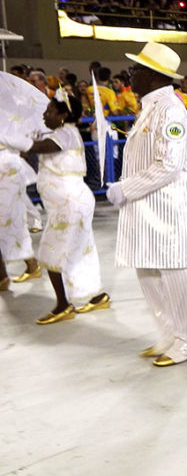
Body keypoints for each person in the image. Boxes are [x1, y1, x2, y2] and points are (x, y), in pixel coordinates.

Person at [106, 42, 187, 367]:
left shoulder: (171, 110)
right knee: (147, 270)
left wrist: (125, 189)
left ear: (152, 76)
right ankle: (170, 333)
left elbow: (169, 164)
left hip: (171, 209)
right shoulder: (149, 106)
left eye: (136, 70)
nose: (130, 76)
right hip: (148, 208)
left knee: (177, 274)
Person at [25, 95, 110, 324]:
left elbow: (41, 147)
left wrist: (16, 139)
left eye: (50, 110)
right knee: (82, 249)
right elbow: (34, 149)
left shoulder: (66, 133)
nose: (45, 114)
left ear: (63, 115)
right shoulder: (59, 132)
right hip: (70, 202)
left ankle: (63, 306)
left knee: (50, 250)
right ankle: (98, 296)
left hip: (70, 203)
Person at [0, 130, 39, 290]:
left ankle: (29, 265)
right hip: (8, 164)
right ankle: (3, 275)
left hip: (6, 165)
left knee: (12, 219)